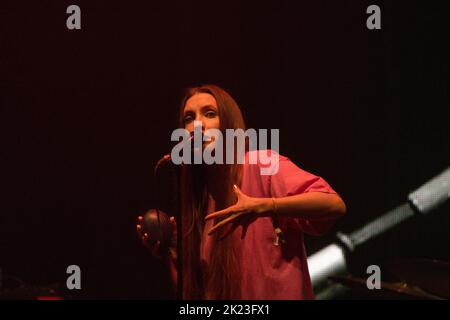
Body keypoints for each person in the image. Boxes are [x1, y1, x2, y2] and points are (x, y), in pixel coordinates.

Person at [138, 84, 346, 300]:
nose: (196, 126)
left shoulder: (260, 164)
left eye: (210, 114)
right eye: (189, 118)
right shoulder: (201, 200)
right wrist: (172, 254)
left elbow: (333, 204)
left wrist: (264, 205)